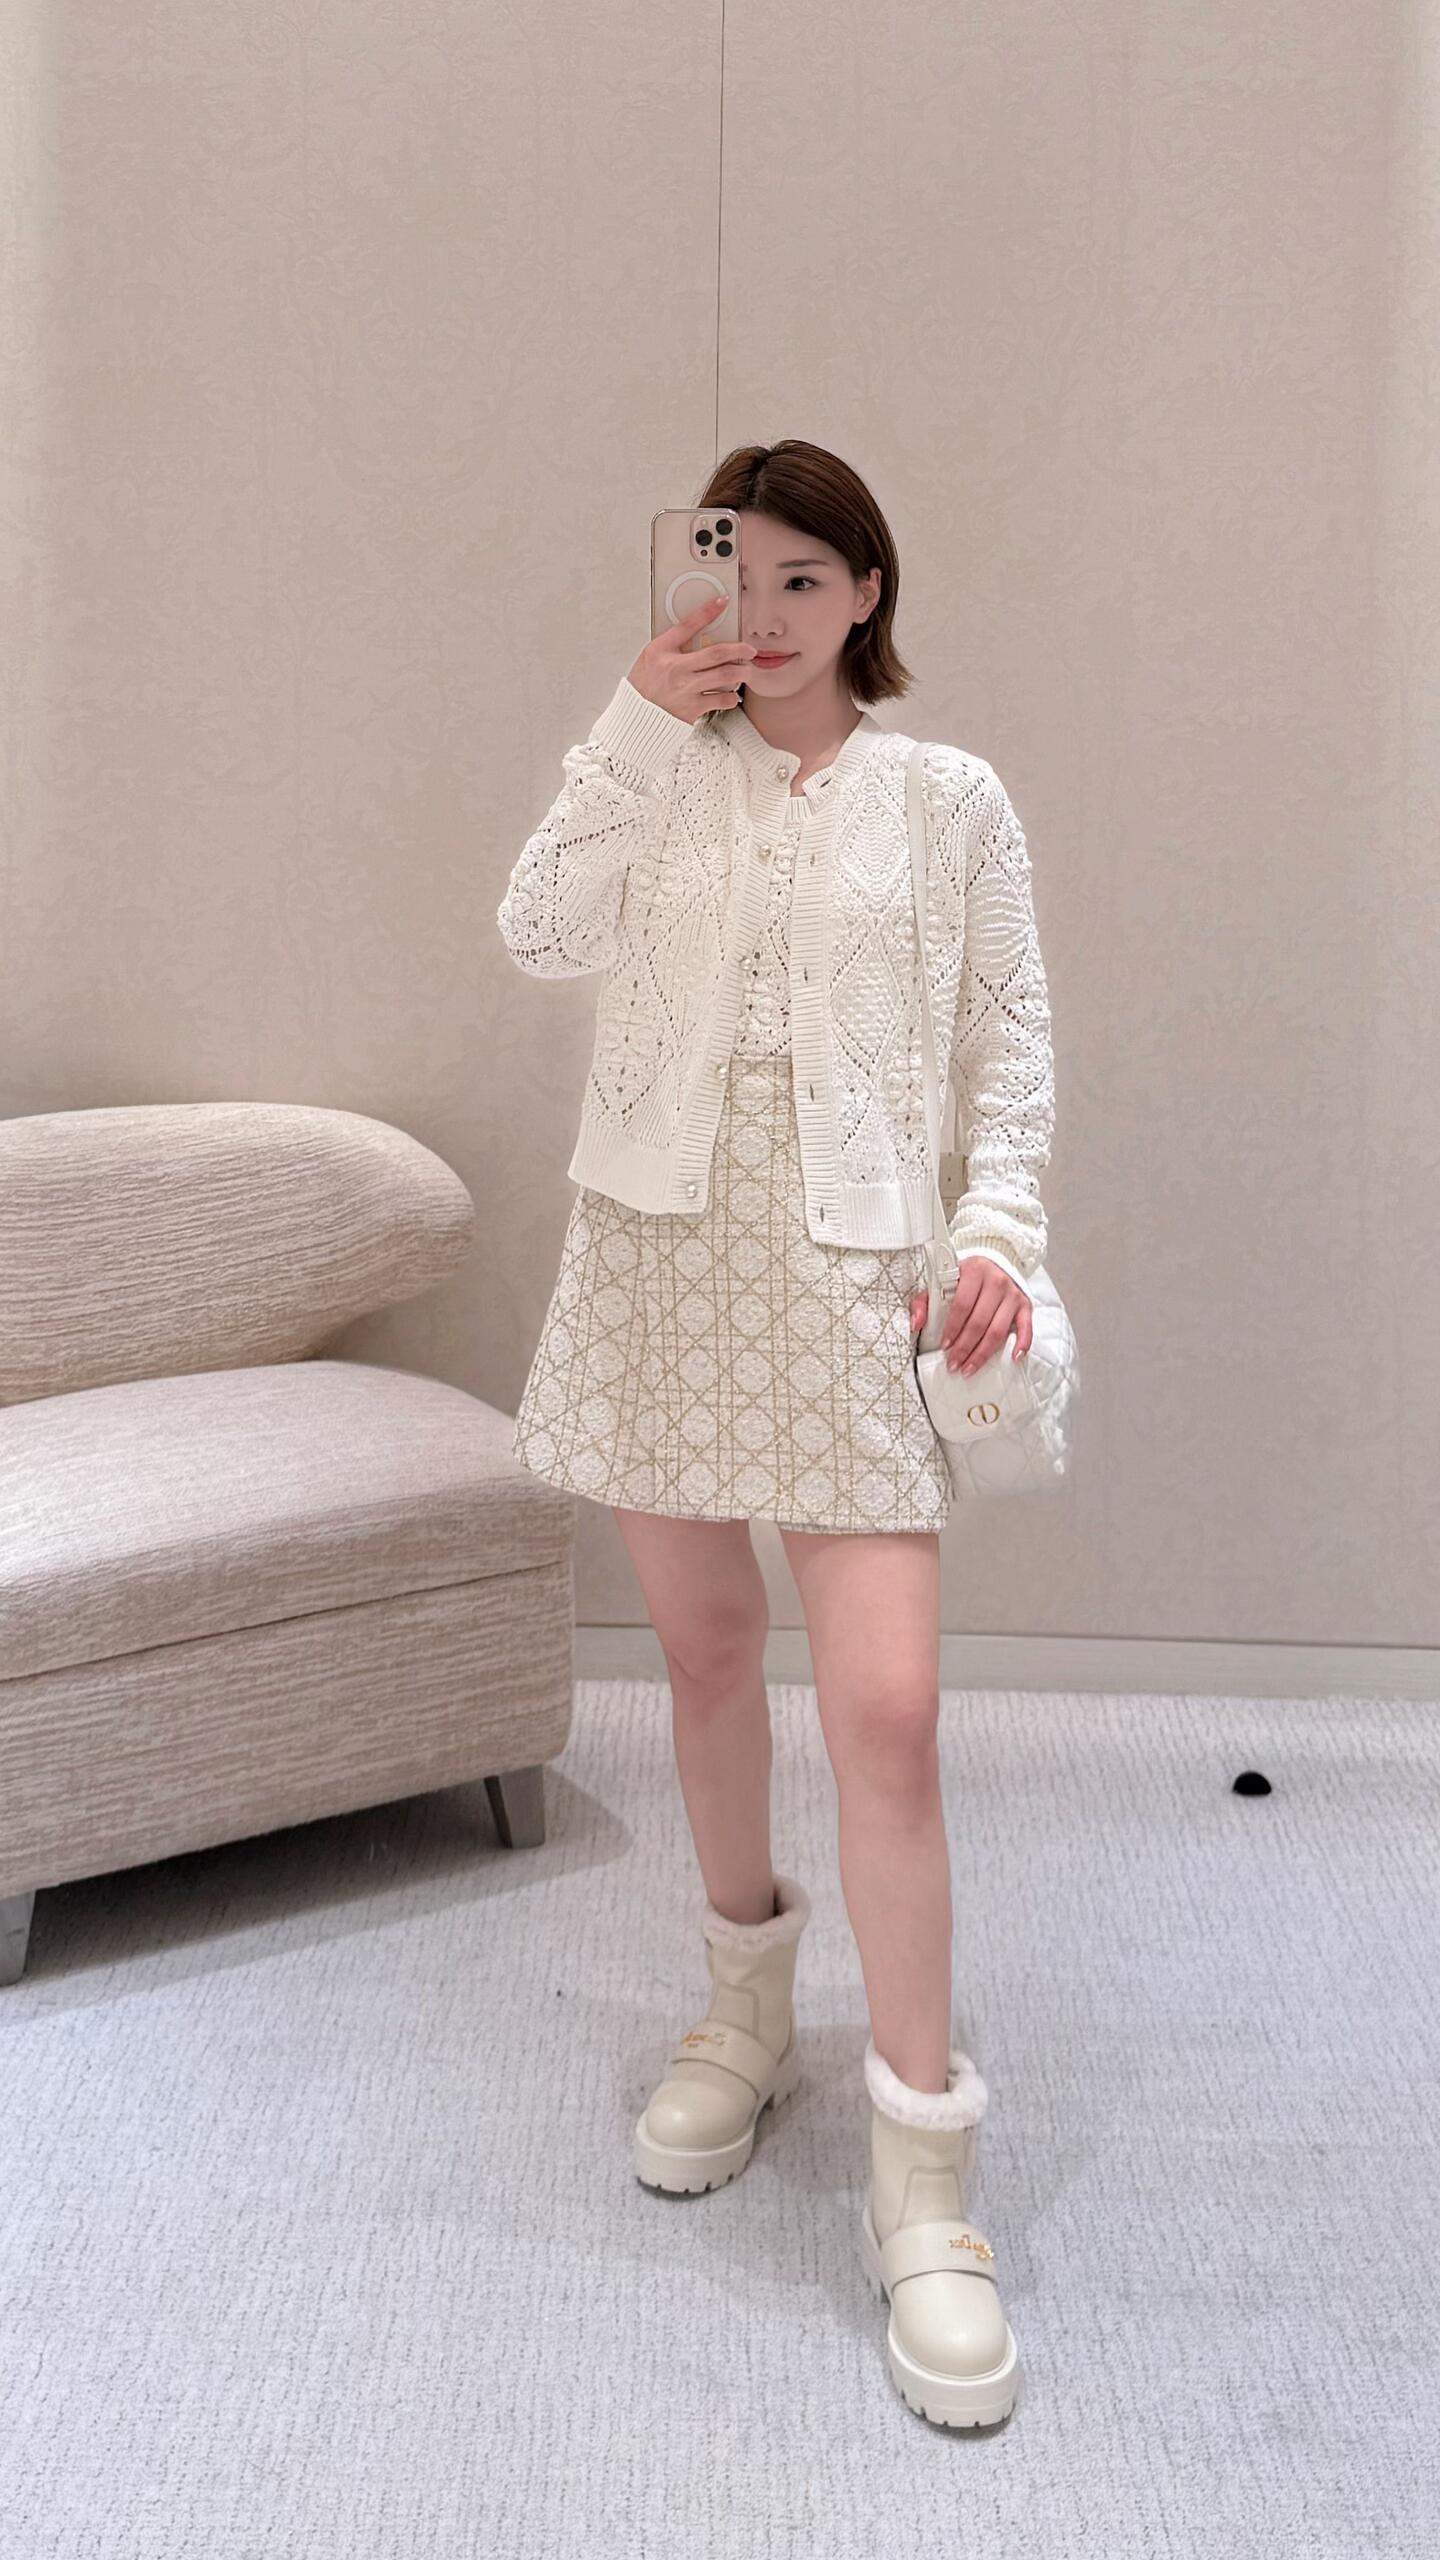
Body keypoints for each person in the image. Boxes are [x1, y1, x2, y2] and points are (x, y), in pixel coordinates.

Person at [495, 439, 1054, 2428]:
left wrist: (994, 1235)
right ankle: (743, 2011)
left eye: (809, 578)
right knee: (709, 1653)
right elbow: (537, 930)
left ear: (869, 592)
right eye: (739, 574)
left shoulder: (948, 798)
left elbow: (1008, 1040)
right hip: (659, 1264)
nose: (772, 612)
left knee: (886, 1711)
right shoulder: (652, 766)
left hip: (850, 1281)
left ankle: (925, 2170)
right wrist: (633, 721)